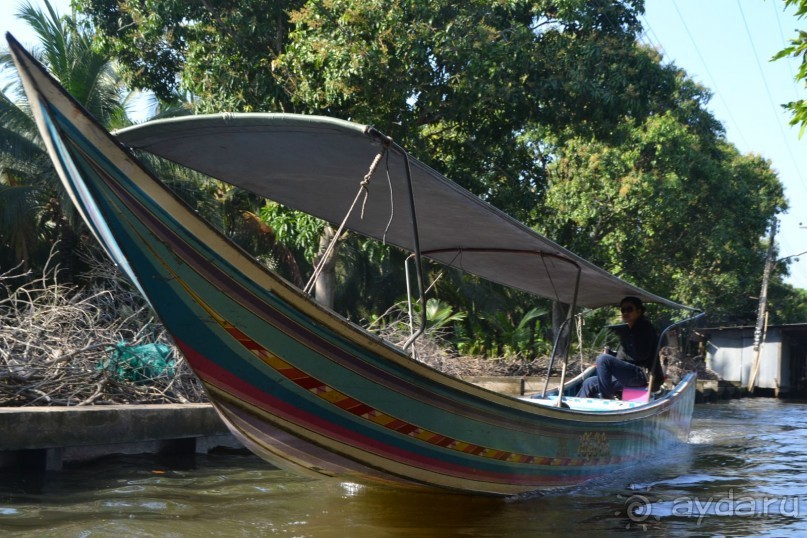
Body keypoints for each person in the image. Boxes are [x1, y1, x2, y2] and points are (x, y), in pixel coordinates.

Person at [577, 296, 660, 399]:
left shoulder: (645, 328)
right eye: (623, 310)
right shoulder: (629, 331)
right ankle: (573, 411)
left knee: (603, 359)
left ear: (639, 312)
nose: (625, 312)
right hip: (629, 374)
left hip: (641, 375)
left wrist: (608, 359)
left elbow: (642, 354)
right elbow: (623, 356)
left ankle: (606, 399)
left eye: (629, 309)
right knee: (589, 382)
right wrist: (611, 354)